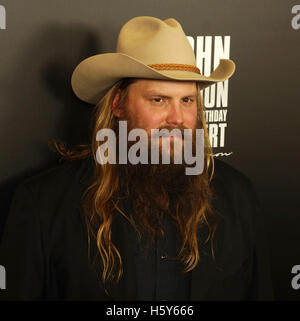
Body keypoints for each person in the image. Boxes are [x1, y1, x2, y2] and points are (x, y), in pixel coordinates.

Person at [0, 16, 273, 300]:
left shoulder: (238, 197)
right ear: (118, 103)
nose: (177, 118)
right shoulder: (45, 206)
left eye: (187, 100)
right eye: (159, 99)